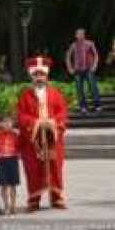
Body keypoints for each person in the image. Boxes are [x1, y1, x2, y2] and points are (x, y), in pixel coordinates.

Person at [16, 56, 68, 211]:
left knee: (55, 167)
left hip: (52, 139)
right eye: (36, 75)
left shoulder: (55, 94)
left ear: (47, 76)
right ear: (31, 76)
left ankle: (56, 197)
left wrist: (52, 122)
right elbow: (21, 115)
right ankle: (34, 199)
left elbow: (62, 112)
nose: (39, 78)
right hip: (33, 141)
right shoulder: (25, 96)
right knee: (33, 169)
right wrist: (36, 123)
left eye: (42, 75)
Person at [65, 28, 101, 114]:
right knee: (79, 89)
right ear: (76, 36)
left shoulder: (90, 44)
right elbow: (68, 56)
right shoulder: (73, 45)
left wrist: (94, 65)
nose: (80, 35)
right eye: (78, 34)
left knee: (93, 87)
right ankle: (83, 107)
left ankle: (97, 105)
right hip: (77, 70)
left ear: (84, 35)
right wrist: (70, 67)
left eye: (82, 34)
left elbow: (96, 55)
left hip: (88, 68)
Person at [0, 115, 21, 215]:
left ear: (12, 123)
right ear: (0, 124)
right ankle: (6, 205)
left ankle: (13, 206)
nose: (7, 124)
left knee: (13, 184)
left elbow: (20, 145)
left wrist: (18, 153)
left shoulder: (15, 135)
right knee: (3, 185)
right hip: (2, 160)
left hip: (13, 159)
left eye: (9, 122)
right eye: (5, 122)